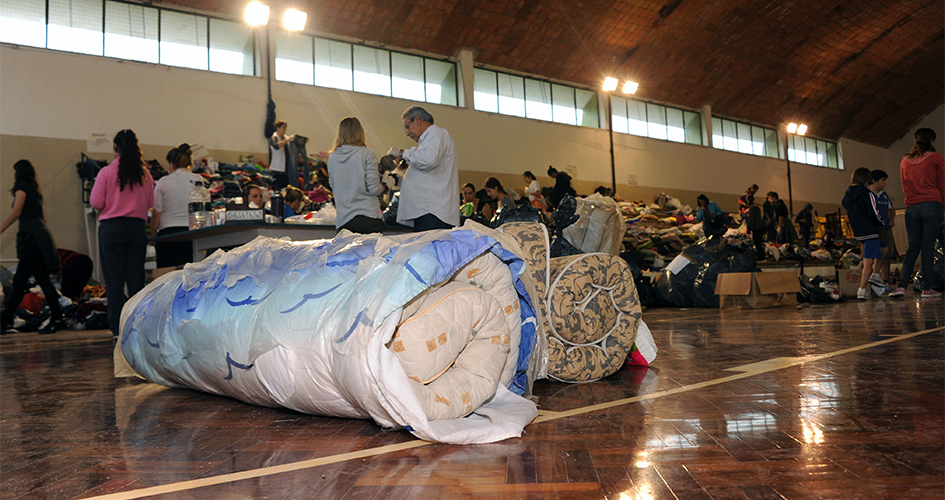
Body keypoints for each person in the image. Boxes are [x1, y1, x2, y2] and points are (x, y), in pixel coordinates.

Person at [90, 129, 154, 338]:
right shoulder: (145, 175)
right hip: (136, 229)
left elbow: (96, 202)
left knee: (114, 281)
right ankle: (137, 327)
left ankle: (117, 329)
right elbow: (151, 203)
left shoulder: (106, 173)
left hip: (112, 229)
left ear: (115, 148)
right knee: (136, 280)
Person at [0, 160, 65, 334]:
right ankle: (5, 319)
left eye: (14, 171)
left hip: (31, 239)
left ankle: (58, 318)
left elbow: (17, 211)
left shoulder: (22, 187)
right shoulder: (35, 191)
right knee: (21, 283)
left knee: (41, 281)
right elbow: (42, 218)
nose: (13, 174)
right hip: (38, 237)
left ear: (19, 173)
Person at [890, 128, 944, 298]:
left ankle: (901, 287)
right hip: (932, 205)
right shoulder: (937, 158)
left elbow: (905, 188)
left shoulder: (905, 162)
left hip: (911, 207)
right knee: (928, 247)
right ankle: (927, 288)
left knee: (913, 247)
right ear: (932, 141)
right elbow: (942, 185)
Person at [387, 106, 459, 231]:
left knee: (429, 250)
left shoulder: (436, 133)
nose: (407, 133)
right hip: (429, 212)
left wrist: (402, 153)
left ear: (417, 120)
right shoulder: (429, 140)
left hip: (433, 212)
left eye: (407, 127)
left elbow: (429, 159)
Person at [327, 117, 384, 234]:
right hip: (368, 217)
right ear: (360, 132)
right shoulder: (367, 154)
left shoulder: (332, 158)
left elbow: (333, 187)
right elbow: (374, 189)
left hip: (344, 221)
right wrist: (384, 187)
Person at [152, 143, 202, 268]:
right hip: (191, 234)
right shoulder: (198, 179)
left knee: (166, 276)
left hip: (167, 235)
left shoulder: (163, 182)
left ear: (171, 164)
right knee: (190, 275)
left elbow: (156, 213)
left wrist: (154, 237)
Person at [842, 168, 885, 300]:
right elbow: (873, 211)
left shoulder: (846, 196)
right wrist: (881, 222)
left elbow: (846, 206)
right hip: (870, 230)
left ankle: (876, 275)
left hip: (859, 232)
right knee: (868, 262)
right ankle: (862, 289)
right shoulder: (868, 194)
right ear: (867, 181)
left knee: (884, 248)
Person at [869, 170, 896, 286]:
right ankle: (872, 278)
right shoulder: (868, 194)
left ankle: (885, 280)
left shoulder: (885, 195)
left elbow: (892, 209)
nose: (885, 183)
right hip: (873, 230)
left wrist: (891, 220)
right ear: (874, 181)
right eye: (883, 180)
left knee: (887, 255)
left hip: (885, 228)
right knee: (873, 255)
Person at [269, 120, 294, 189]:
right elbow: (276, 146)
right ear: (278, 128)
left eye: (285, 128)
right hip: (277, 168)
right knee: (277, 188)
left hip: (286, 169)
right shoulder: (274, 137)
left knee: (285, 188)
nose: (285, 130)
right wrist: (287, 140)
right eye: (283, 128)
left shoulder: (285, 137)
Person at [745, 195, 766, 261]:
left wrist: (749, 229)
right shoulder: (757, 207)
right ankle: (761, 255)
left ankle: (760, 257)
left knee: (757, 243)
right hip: (760, 227)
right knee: (759, 243)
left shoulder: (751, 209)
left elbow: (751, 220)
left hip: (756, 228)